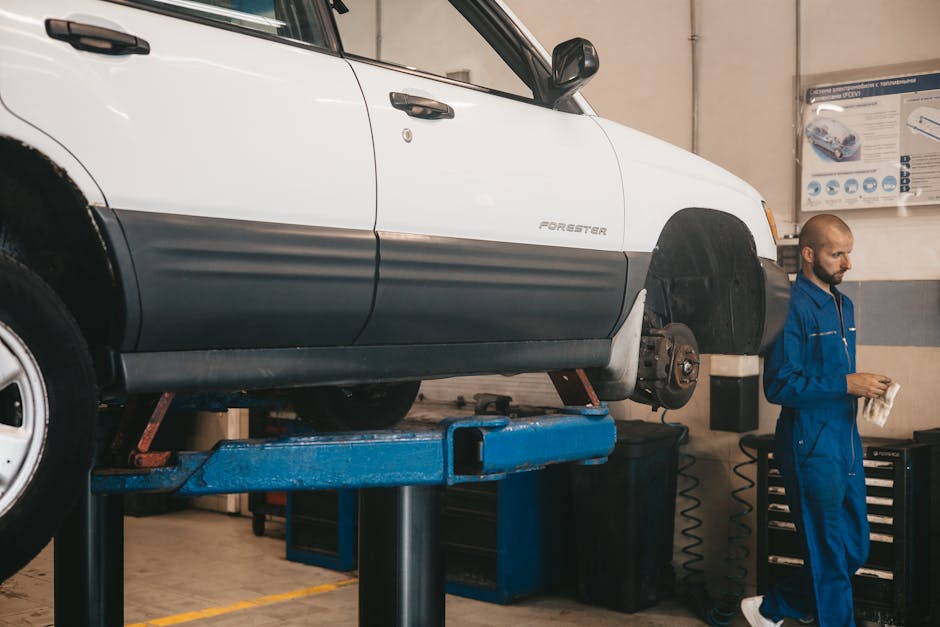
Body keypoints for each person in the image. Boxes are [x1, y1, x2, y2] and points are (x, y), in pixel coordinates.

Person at [741, 214, 891, 627]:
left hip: (844, 439)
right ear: (808, 254)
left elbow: (835, 379)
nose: (847, 263)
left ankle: (772, 607)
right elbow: (780, 385)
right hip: (809, 444)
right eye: (837, 253)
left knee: (853, 550)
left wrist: (866, 389)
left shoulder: (845, 305)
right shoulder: (789, 308)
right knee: (828, 557)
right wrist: (847, 383)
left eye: (849, 253)